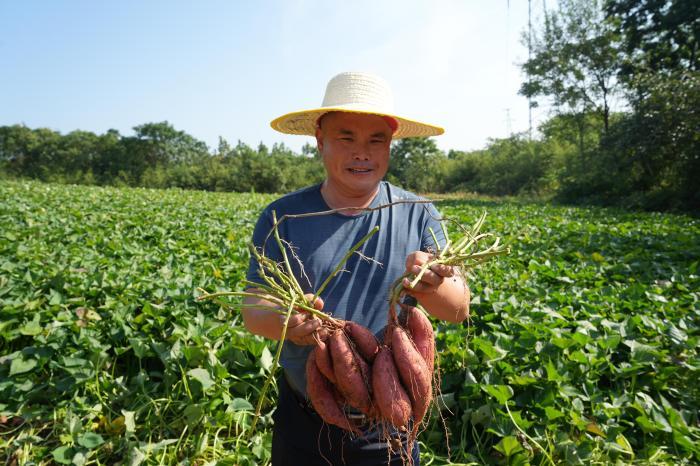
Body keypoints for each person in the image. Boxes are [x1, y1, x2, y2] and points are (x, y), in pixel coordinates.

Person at [242, 71, 470, 466]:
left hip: (392, 416)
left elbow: (458, 309)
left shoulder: (418, 214)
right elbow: (254, 309)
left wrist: (432, 285)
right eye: (346, 138)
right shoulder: (283, 217)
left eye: (375, 140)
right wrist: (286, 322)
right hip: (307, 417)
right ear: (320, 141)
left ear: (390, 145)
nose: (361, 152)